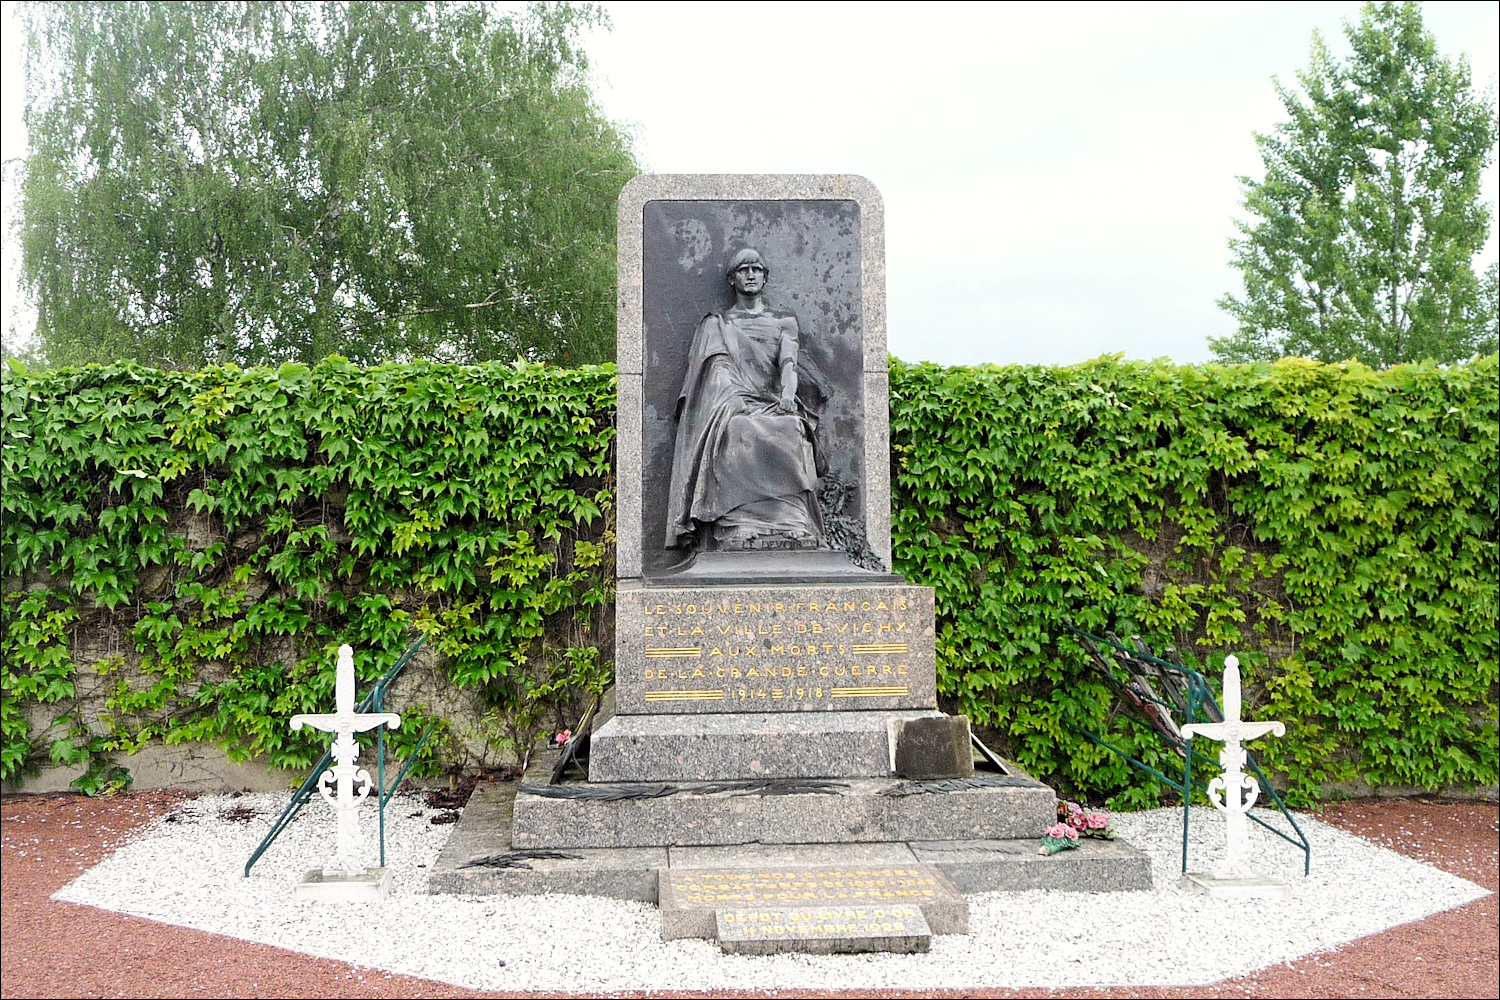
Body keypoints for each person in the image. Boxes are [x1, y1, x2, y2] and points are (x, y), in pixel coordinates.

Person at [664, 248, 827, 552]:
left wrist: (788, 396)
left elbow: (788, 364)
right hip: (733, 404)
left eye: (756, 269)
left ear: (766, 278)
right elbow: (716, 372)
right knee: (738, 428)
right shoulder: (718, 325)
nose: (750, 275)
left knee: (791, 427)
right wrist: (733, 400)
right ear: (731, 278)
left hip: (774, 401)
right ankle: (739, 523)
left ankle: (792, 522)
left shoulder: (784, 323)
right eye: (743, 270)